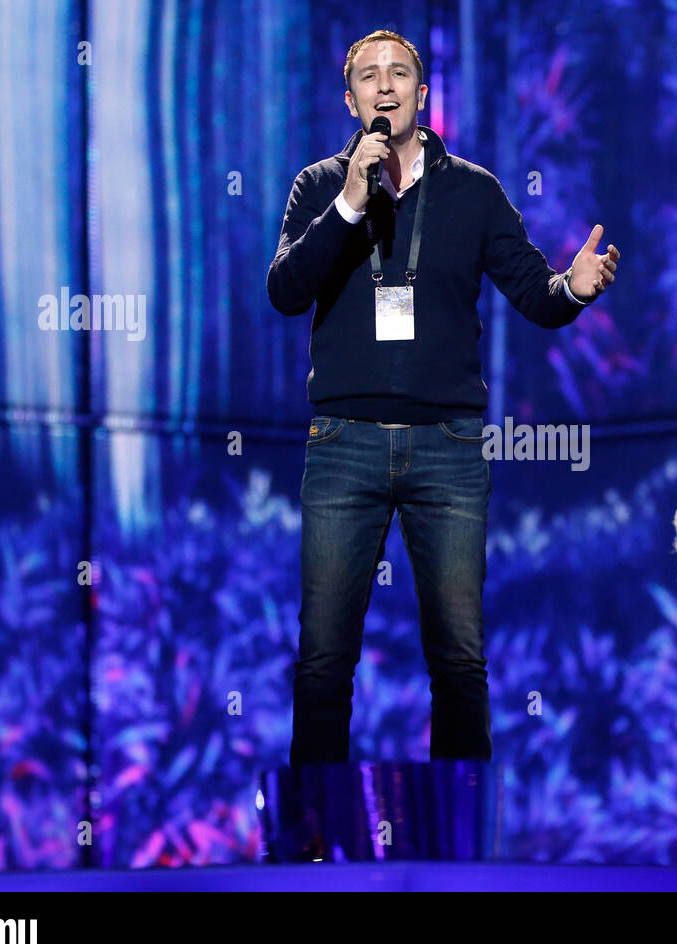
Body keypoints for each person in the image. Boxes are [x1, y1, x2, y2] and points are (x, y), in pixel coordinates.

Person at [266, 30, 620, 770]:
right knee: (324, 660)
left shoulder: (475, 191)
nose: (385, 86)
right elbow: (285, 290)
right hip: (344, 445)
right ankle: (313, 850)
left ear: (422, 95)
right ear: (351, 99)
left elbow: (536, 292)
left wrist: (574, 290)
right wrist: (351, 202)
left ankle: (461, 851)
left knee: (459, 663)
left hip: (448, 452)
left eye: (400, 74)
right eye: (369, 77)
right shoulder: (319, 185)